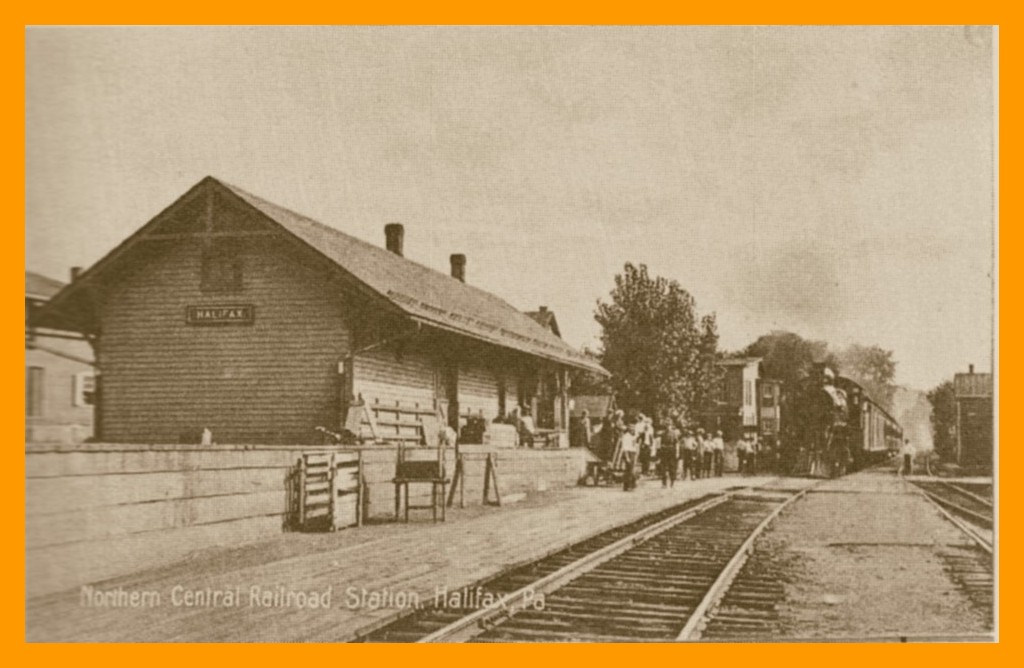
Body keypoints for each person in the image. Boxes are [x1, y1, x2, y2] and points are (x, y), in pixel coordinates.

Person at [659, 421, 681, 488]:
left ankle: (672, 482)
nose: (668, 427)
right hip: (664, 451)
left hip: (671, 451)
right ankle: (664, 483)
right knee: (663, 468)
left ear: (671, 426)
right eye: (667, 425)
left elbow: (677, 443)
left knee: (672, 467)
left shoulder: (674, 433)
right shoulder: (663, 434)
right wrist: (662, 449)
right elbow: (661, 443)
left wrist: (677, 452)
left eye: (669, 425)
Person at [620, 424, 639, 491]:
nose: (633, 429)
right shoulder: (626, 436)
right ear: (629, 429)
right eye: (631, 428)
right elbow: (625, 448)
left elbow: (635, 445)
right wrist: (627, 457)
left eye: (633, 428)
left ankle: (630, 485)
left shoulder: (633, 436)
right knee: (629, 470)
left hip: (633, 453)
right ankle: (628, 485)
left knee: (631, 470)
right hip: (628, 453)